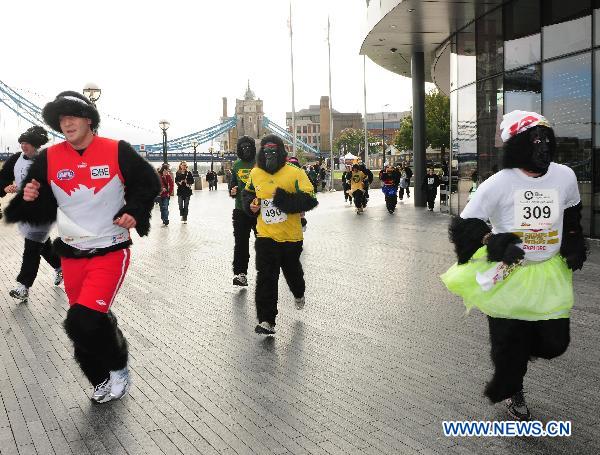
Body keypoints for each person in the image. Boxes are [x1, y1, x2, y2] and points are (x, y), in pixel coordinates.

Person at [5, 90, 161, 404]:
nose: (67, 123)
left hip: (110, 250)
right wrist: (30, 197)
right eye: (61, 119)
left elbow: (148, 183)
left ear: (88, 120)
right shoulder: (49, 157)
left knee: (82, 321)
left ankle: (118, 367)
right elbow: (39, 206)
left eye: (72, 116)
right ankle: (99, 377)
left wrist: (134, 210)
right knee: (84, 325)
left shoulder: (117, 150)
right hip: (71, 253)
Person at [441, 110, 587, 421]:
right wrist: (492, 241)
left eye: (548, 141)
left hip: (548, 271)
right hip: (509, 274)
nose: (544, 148)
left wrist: (574, 242)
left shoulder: (565, 176)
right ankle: (513, 390)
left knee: (555, 343)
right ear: (518, 146)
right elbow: (465, 224)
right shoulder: (498, 183)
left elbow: (573, 212)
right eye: (536, 141)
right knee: (507, 345)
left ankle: (526, 348)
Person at [242, 134, 318, 335]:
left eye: (273, 151)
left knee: (292, 272)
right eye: (266, 151)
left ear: (281, 152)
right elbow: (248, 193)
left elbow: (310, 198)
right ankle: (267, 320)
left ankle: (299, 293)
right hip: (265, 235)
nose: (269, 155)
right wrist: (251, 205)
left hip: (291, 237)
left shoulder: (295, 172)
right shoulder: (256, 173)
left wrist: (283, 201)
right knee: (266, 276)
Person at [0, 126, 62, 303]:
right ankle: (60, 265)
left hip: (43, 210)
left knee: (32, 247)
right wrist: (5, 187)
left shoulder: (48, 160)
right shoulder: (15, 159)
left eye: (26, 143)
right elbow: (3, 177)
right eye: (21, 143)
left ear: (36, 145)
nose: (23, 146)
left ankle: (23, 287)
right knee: (41, 245)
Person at [229, 136, 257, 287]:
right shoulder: (236, 165)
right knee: (241, 244)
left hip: (259, 210)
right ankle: (240, 274)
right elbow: (233, 184)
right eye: (243, 147)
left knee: (263, 244)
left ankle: (266, 271)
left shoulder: (261, 163)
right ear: (239, 149)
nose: (246, 149)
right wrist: (232, 189)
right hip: (240, 210)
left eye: (249, 146)